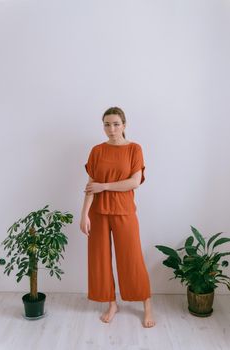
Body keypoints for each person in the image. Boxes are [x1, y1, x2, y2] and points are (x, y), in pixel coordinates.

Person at [80, 106, 155, 328]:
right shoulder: (96, 151)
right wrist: (84, 214)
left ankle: (147, 305)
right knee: (100, 261)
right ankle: (111, 303)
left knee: (132, 259)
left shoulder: (134, 149)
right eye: (106, 124)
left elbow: (134, 182)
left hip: (124, 211)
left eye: (115, 124)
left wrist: (104, 186)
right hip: (98, 213)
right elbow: (90, 186)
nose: (111, 129)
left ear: (124, 125)